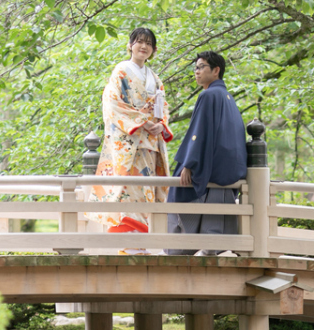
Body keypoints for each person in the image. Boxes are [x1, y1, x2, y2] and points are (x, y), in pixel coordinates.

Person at [87, 27, 173, 251]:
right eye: (139, 42)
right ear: (130, 45)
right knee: (129, 191)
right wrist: (142, 122)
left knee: (146, 191)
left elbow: (163, 107)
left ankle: (140, 243)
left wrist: (160, 124)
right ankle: (128, 244)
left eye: (148, 44)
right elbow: (112, 103)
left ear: (153, 50)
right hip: (130, 142)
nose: (143, 46)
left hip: (150, 142)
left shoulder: (154, 77)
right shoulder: (121, 71)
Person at [166, 50, 247, 255]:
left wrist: (189, 163)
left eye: (201, 67)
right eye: (195, 68)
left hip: (212, 167)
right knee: (216, 212)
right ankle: (211, 247)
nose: (196, 72)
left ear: (216, 70)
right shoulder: (227, 96)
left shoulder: (209, 94)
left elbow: (199, 133)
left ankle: (178, 249)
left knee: (179, 190)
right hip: (228, 168)